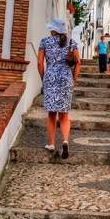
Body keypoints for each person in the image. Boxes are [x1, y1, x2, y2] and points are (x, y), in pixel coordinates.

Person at [38, 19, 80, 159]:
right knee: (64, 114)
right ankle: (65, 141)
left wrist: (44, 78)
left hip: (51, 78)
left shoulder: (45, 41)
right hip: (66, 78)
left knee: (52, 114)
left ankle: (51, 143)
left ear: (53, 30)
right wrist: (73, 79)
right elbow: (78, 62)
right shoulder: (72, 43)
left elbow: (40, 63)